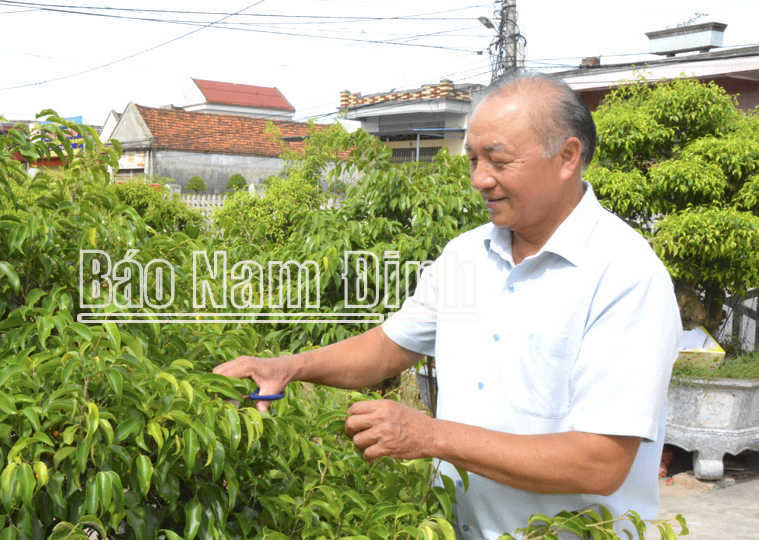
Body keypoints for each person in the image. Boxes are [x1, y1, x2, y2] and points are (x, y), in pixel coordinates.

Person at [213, 72, 682, 539]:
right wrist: (286, 367)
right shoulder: (467, 255)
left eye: (498, 161)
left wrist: (431, 436)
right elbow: (387, 348)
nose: (480, 179)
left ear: (567, 157)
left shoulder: (624, 276)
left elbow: (599, 463)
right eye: (474, 159)